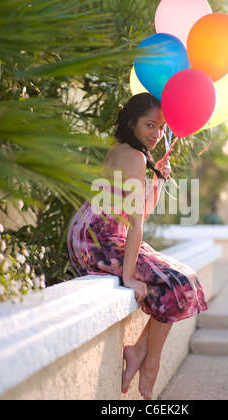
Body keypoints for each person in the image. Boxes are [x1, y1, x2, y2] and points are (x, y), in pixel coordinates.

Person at [67, 93, 208, 400]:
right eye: (150, 125)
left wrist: (158, 181)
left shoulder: (126, 150)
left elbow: (139, 211)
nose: (157, 134)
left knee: (179, 281)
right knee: (182, 284)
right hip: (99, 243)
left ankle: (141, 350)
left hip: (92, 235)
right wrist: (129, 277)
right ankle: (150, 362)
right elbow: (136, 224)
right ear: (131, 123)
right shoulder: (134, 156)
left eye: (162, 127)